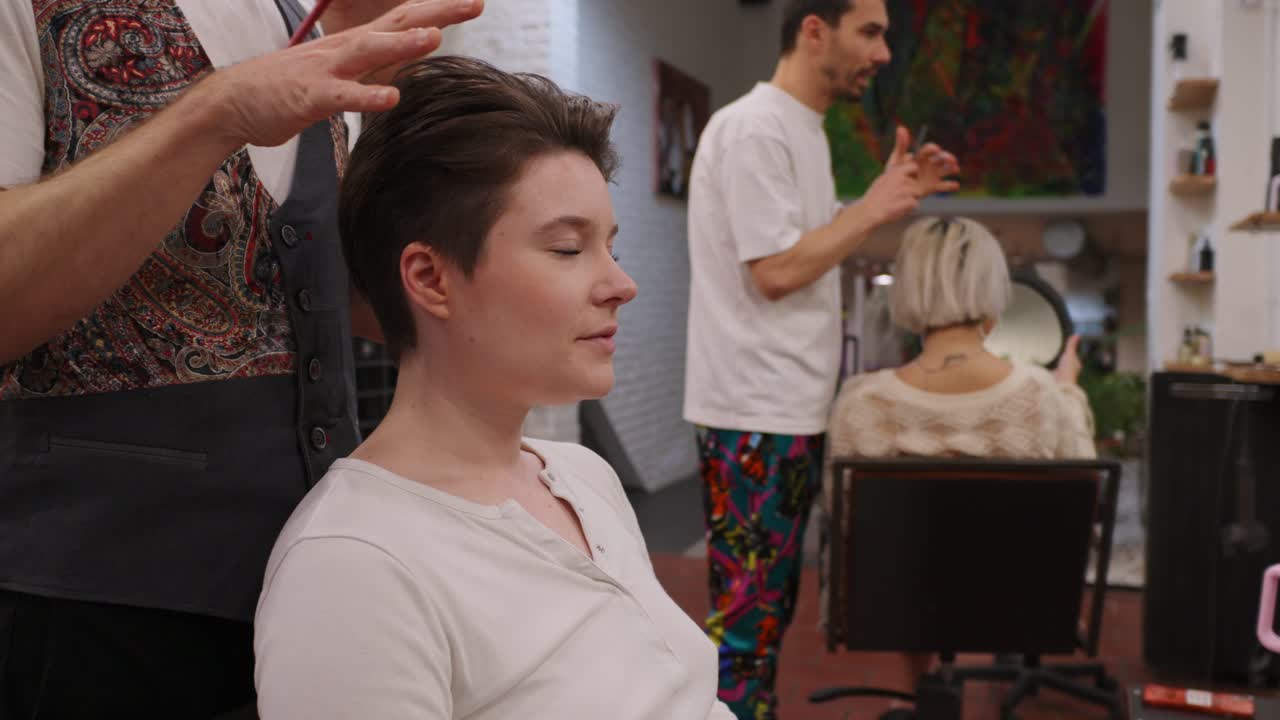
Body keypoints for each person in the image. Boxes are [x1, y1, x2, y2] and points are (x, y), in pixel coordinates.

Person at [0, 0, 482, 715]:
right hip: (88, 612)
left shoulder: (302, 23)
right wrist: (213, 114)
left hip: (315, 596)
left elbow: (299, 291)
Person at [253, 56, 736, 720]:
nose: (621, 285)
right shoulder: (355, 566)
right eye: (568, 249)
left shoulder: (582, 479)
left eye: (611, 248)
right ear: (429, 278)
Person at [682, 0, 960, 715]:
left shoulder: (802, 132)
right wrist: (869, 208)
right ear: (813, 30)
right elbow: (773, 272)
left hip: (784, 409)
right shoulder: (753, 129)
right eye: (869, 33)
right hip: (753, 412)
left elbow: (807, 253)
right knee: (746, 635)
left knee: (767, 622)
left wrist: (883, 203)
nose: (884, 53)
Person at [825, 216, 1096, 693]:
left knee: (907, 562)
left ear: (907, 289)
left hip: (893, 612)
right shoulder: (1038, 395)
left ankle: (922, 687)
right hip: (1020, 607)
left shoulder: (860, 404)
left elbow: (843, 527)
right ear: (993, 287)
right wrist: (1069, 390)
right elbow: (1087, 496)